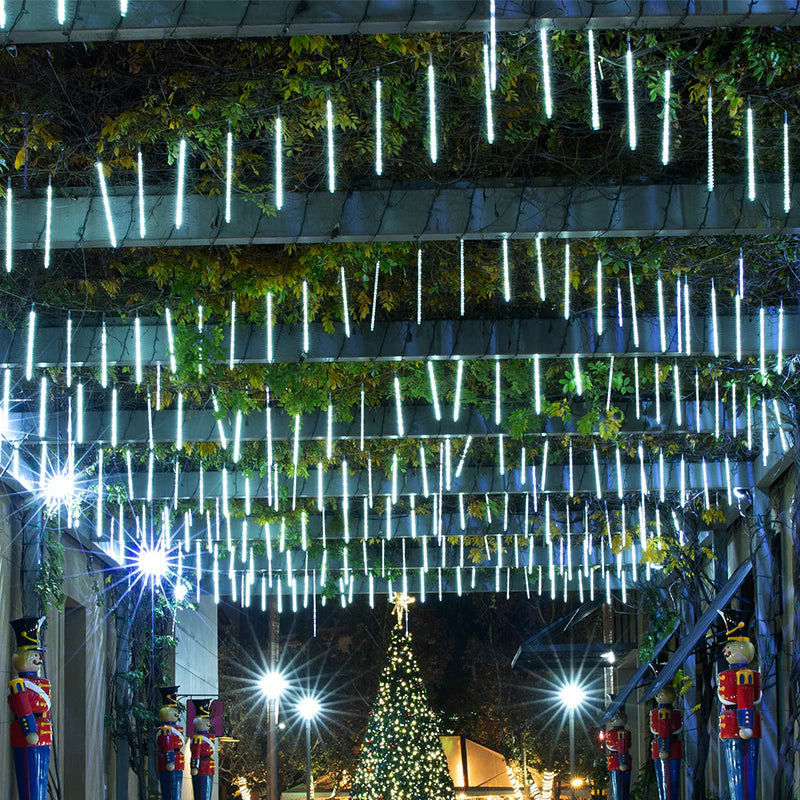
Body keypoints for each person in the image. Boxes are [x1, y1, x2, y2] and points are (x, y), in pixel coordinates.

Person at [7, 617, 51, 800]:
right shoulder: (19, 684)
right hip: (29, 736)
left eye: (38, 655)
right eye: (34, 655)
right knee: (30, 782)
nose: (38, 659)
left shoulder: (41, 683)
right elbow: (24, 708)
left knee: (41, 781)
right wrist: (30, 730)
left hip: (43, 735)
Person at [718, 618, 760, 800]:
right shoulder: (732, 674)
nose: (726, 650)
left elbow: (744, 698)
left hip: (739, 727)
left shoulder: (744, 675)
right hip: (731, 726)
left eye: (731, 645)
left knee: (742, 774)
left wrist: (745, 725)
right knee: (735, 775)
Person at [649, 686, 682, 800]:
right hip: (670, 748)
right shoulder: (676, 713)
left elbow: (663, 728)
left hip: (664, 749)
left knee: (666, 783)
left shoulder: (659, 713)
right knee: (669, 783)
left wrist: (663, 748)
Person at [156, 686, 185, 800]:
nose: (177, 713)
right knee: (171, 791)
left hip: (177, 762)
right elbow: (167, 746)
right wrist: (169, 761)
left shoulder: (175, 728)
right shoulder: (166, 729)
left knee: (176, 791)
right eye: (174, 711)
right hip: (171, 762)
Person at [190, 698, 216, 800]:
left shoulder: (209, 737)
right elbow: (196, 753)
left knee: (207, 792)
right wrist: (195, 766)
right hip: (202, 766)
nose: (209, 724)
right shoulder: (197, 738)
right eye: (207, 722)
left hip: (208, 766)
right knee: (202, 792)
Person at [606, 708, 631, 800]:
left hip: (618, 762)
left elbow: (622, 747)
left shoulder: (621, 733)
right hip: (615, 762)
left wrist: (622, 762)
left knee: (619, 790)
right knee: (617, 790)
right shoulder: (615, 732)